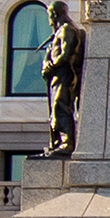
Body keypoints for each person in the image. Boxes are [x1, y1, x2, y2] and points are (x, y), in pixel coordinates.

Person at [40, 12, 88, 159]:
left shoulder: (67, 29)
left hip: (64, 75)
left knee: (60, 106)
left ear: (54, 14)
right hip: (58, 76)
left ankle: (66, 143)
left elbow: (66, 54)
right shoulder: (61, 31)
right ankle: (58, 142)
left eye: (49, 16)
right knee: (56, 109)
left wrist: (52, 65)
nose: (49, 22)